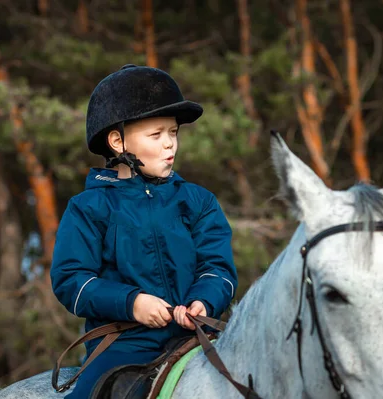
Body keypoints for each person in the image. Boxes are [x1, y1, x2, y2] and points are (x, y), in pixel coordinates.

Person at [50, 64, 238, 399]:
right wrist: (132, 302)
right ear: (117, 141)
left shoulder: (198, 201)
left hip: (196, 336)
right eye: (156, 135)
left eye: (173, 132)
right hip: (124, 346)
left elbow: (217, 267)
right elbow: (71, 279)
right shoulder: (88, 208)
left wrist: (203, 301)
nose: (170, 145)